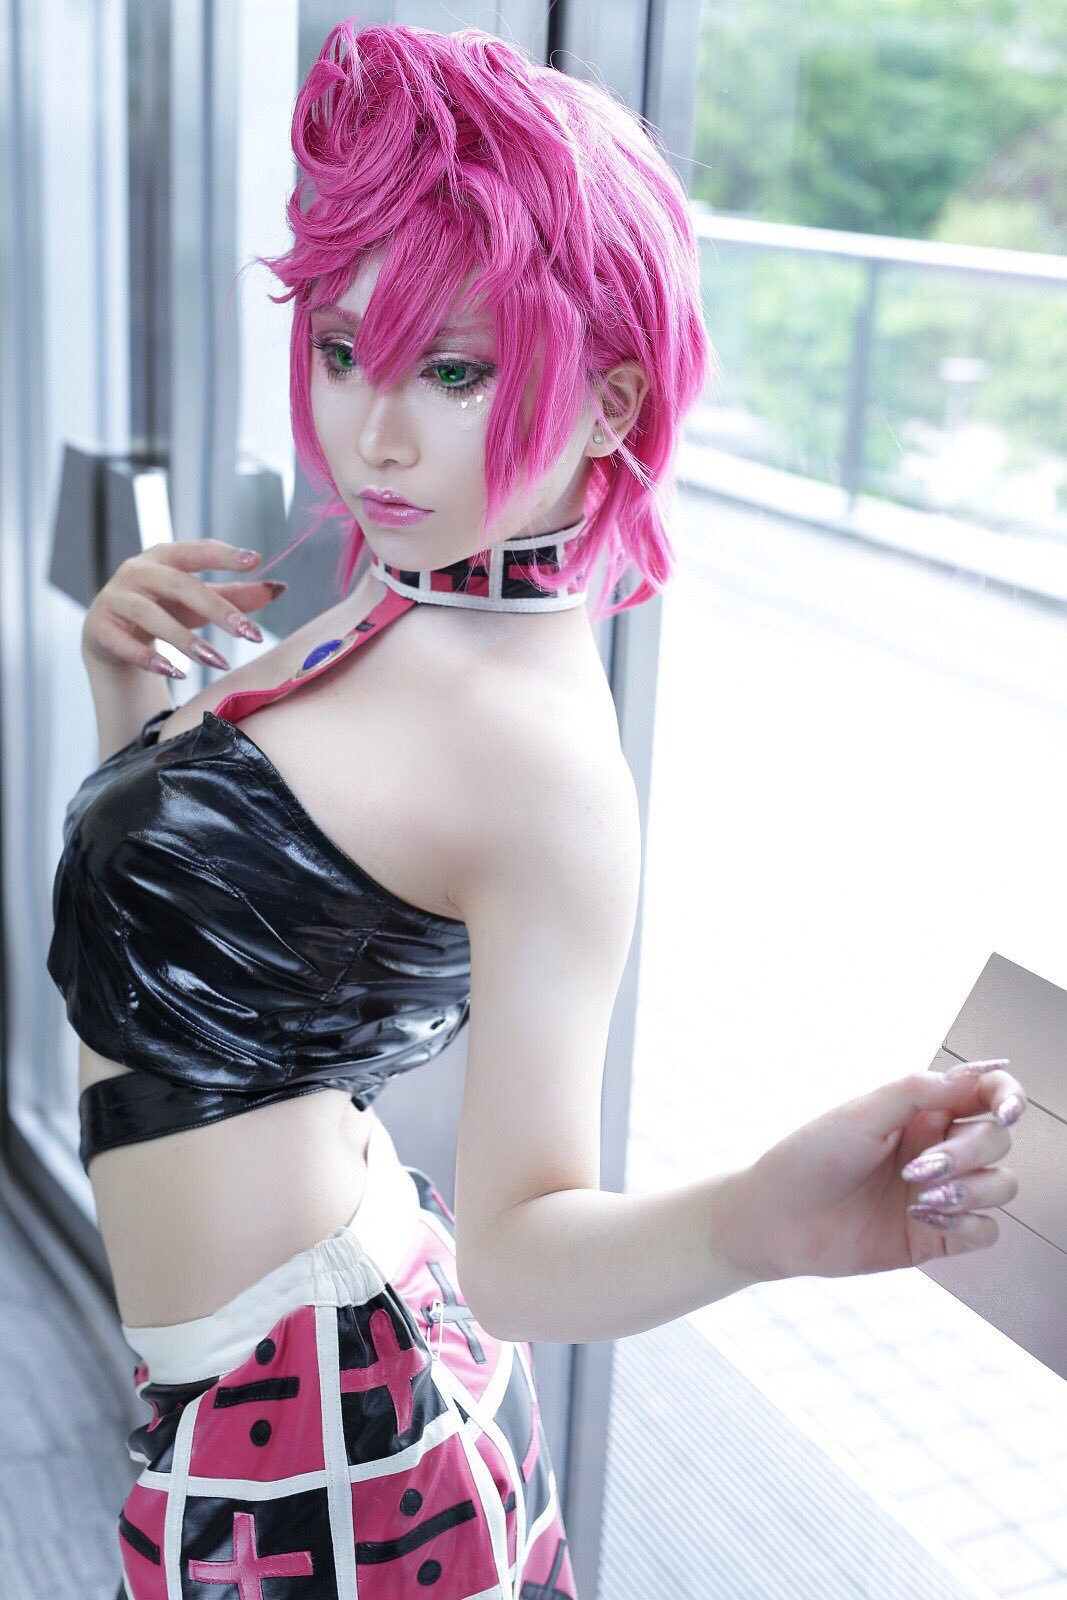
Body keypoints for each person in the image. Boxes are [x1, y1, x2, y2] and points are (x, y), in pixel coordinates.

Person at [46, 19, 1027, 1600]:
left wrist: (752, 1226)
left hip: (335, 1433)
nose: (374, 433)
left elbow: (522, 1249)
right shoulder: (405, 591)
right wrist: (124, 694)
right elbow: (189, 978)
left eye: (453, 370)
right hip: (254, 1389)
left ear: (610, 400)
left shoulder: (539, 756)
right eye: (345, 350)